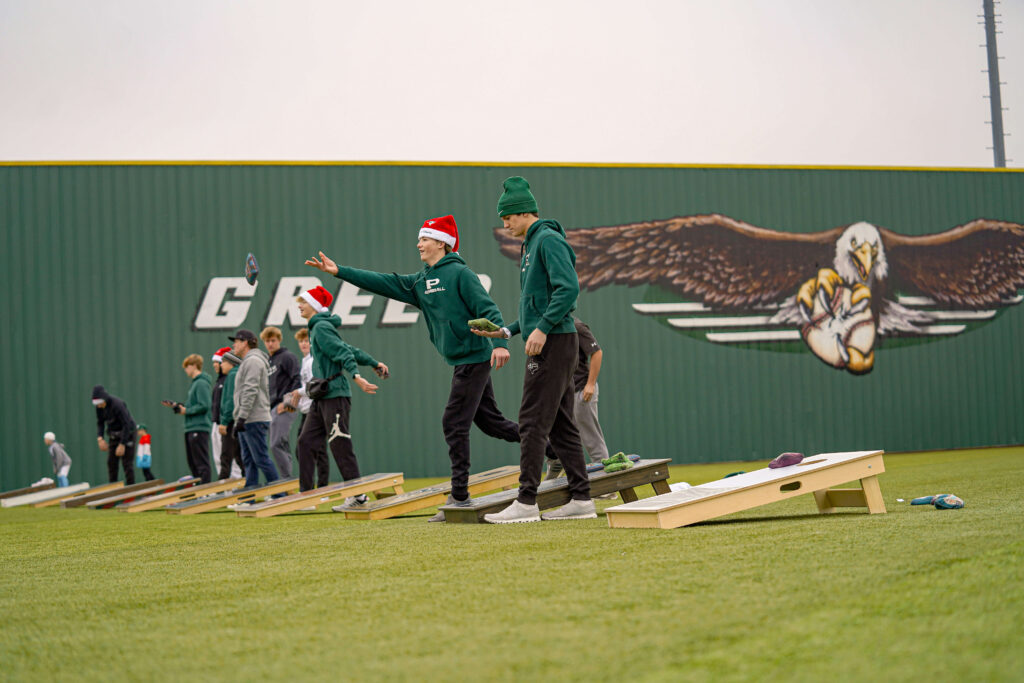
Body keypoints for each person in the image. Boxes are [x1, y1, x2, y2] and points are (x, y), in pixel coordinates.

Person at [306, 215, 533, 522]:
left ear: (442, 242)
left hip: (473, 359)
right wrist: (339, 271)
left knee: (453, 423)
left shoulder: (460, 274)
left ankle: (459, 497)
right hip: (462, 362)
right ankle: (552, 447)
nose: (419, 243)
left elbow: (487, 308)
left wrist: (500, 344)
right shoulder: (421, 281)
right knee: (492, 424)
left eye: (424, 239)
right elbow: (384, 282)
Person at [473, 177, 594, 523]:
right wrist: (507, 330)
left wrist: (541, 328)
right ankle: (582, 498)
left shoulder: (548, 240)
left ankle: (526, 502)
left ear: (524, 212)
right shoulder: (530, 245)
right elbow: (536, 303)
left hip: (555, 341)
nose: (504, 224)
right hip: (551, 338)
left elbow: (568, 289)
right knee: (560, 424)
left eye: (507, 217)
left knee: (530, 420)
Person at [292, 286, 385, 510]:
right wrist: (374, 362)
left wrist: (357, 376)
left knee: (339, 443)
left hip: (335, 394)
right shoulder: (318, 328)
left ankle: (358, 496)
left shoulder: (321, 327)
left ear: (314, 305)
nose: (299, 306)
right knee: (305, 442)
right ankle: (307, 495)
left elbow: (343, 354)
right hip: (322, 396)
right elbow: (349, 348)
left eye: (303, 302)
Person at [545, 319, 614, 498]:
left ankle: (607, 488)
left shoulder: (577, 326)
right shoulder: (548, 326)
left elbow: (597, 353)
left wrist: (590, 384)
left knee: (591, 438)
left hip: (582, 390)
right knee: (556, 435)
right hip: (562, 392)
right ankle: (552, 475)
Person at [229, 329, 281, 490]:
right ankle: (250, 496)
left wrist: (242, 417)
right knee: (249, 460)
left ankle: (279, 494)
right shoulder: (248, 361)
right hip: (248, 418)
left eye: (236, 341)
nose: (233, 345)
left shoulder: (253, 361)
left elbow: (250, 390)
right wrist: (240, 419)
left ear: (245, 342)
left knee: (261, 459)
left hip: (253, 418)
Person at [261, 327, 301, 479]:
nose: (270, 344)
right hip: (272, 408)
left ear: (279, 340)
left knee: (276, 444)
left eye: (273, 340)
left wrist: (288, 403)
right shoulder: (269, 361)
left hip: (284, 407)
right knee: (279, 444)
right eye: (267, 341)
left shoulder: (287, 356)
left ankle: (287, 481)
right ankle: (287, 480)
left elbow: (297, 379)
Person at [169, 354, 213, 484]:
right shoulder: (195, 384)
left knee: (201, 463)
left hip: (199, 427)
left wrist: (186, 410)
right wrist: (180, 406)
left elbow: (205, 405)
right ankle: (198, 490)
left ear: (194, 366)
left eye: (187, 367)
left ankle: (204, 491)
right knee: (193, 463)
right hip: (191, 427)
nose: (186, 370)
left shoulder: (201, 383)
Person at [92, 385, 137, 485]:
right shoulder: (99, 408)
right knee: (111, 462)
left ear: (104, 398)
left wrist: (122, 444)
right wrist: (100, 438)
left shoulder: (117, 405)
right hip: (113, 434)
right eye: (96, 404)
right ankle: (113, 487)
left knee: (127, 463)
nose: (98, 406)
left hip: (128, 433)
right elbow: (100, 422)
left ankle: (131, 488)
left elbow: (127, 424)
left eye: (99, 403)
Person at [216, 352, 244, 480]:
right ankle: (249, 486)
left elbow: (230, 400)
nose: (221, 365)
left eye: (223, 362)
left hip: (231, 421)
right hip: (237, 420)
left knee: (226, 456)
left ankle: (222, 491)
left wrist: (224, 421)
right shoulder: (237, 374)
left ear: (230, 363)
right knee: (239, 455)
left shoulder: (232, 375)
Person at [209, 347, 231, 477]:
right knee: (218, 458)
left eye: (217, 362)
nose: (215, 365)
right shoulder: (219, 381)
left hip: (225, 424)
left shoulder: (229, 379)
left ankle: (237, 487)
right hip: (216, 423)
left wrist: (225, 421)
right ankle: (224, 488)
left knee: (229, 458)